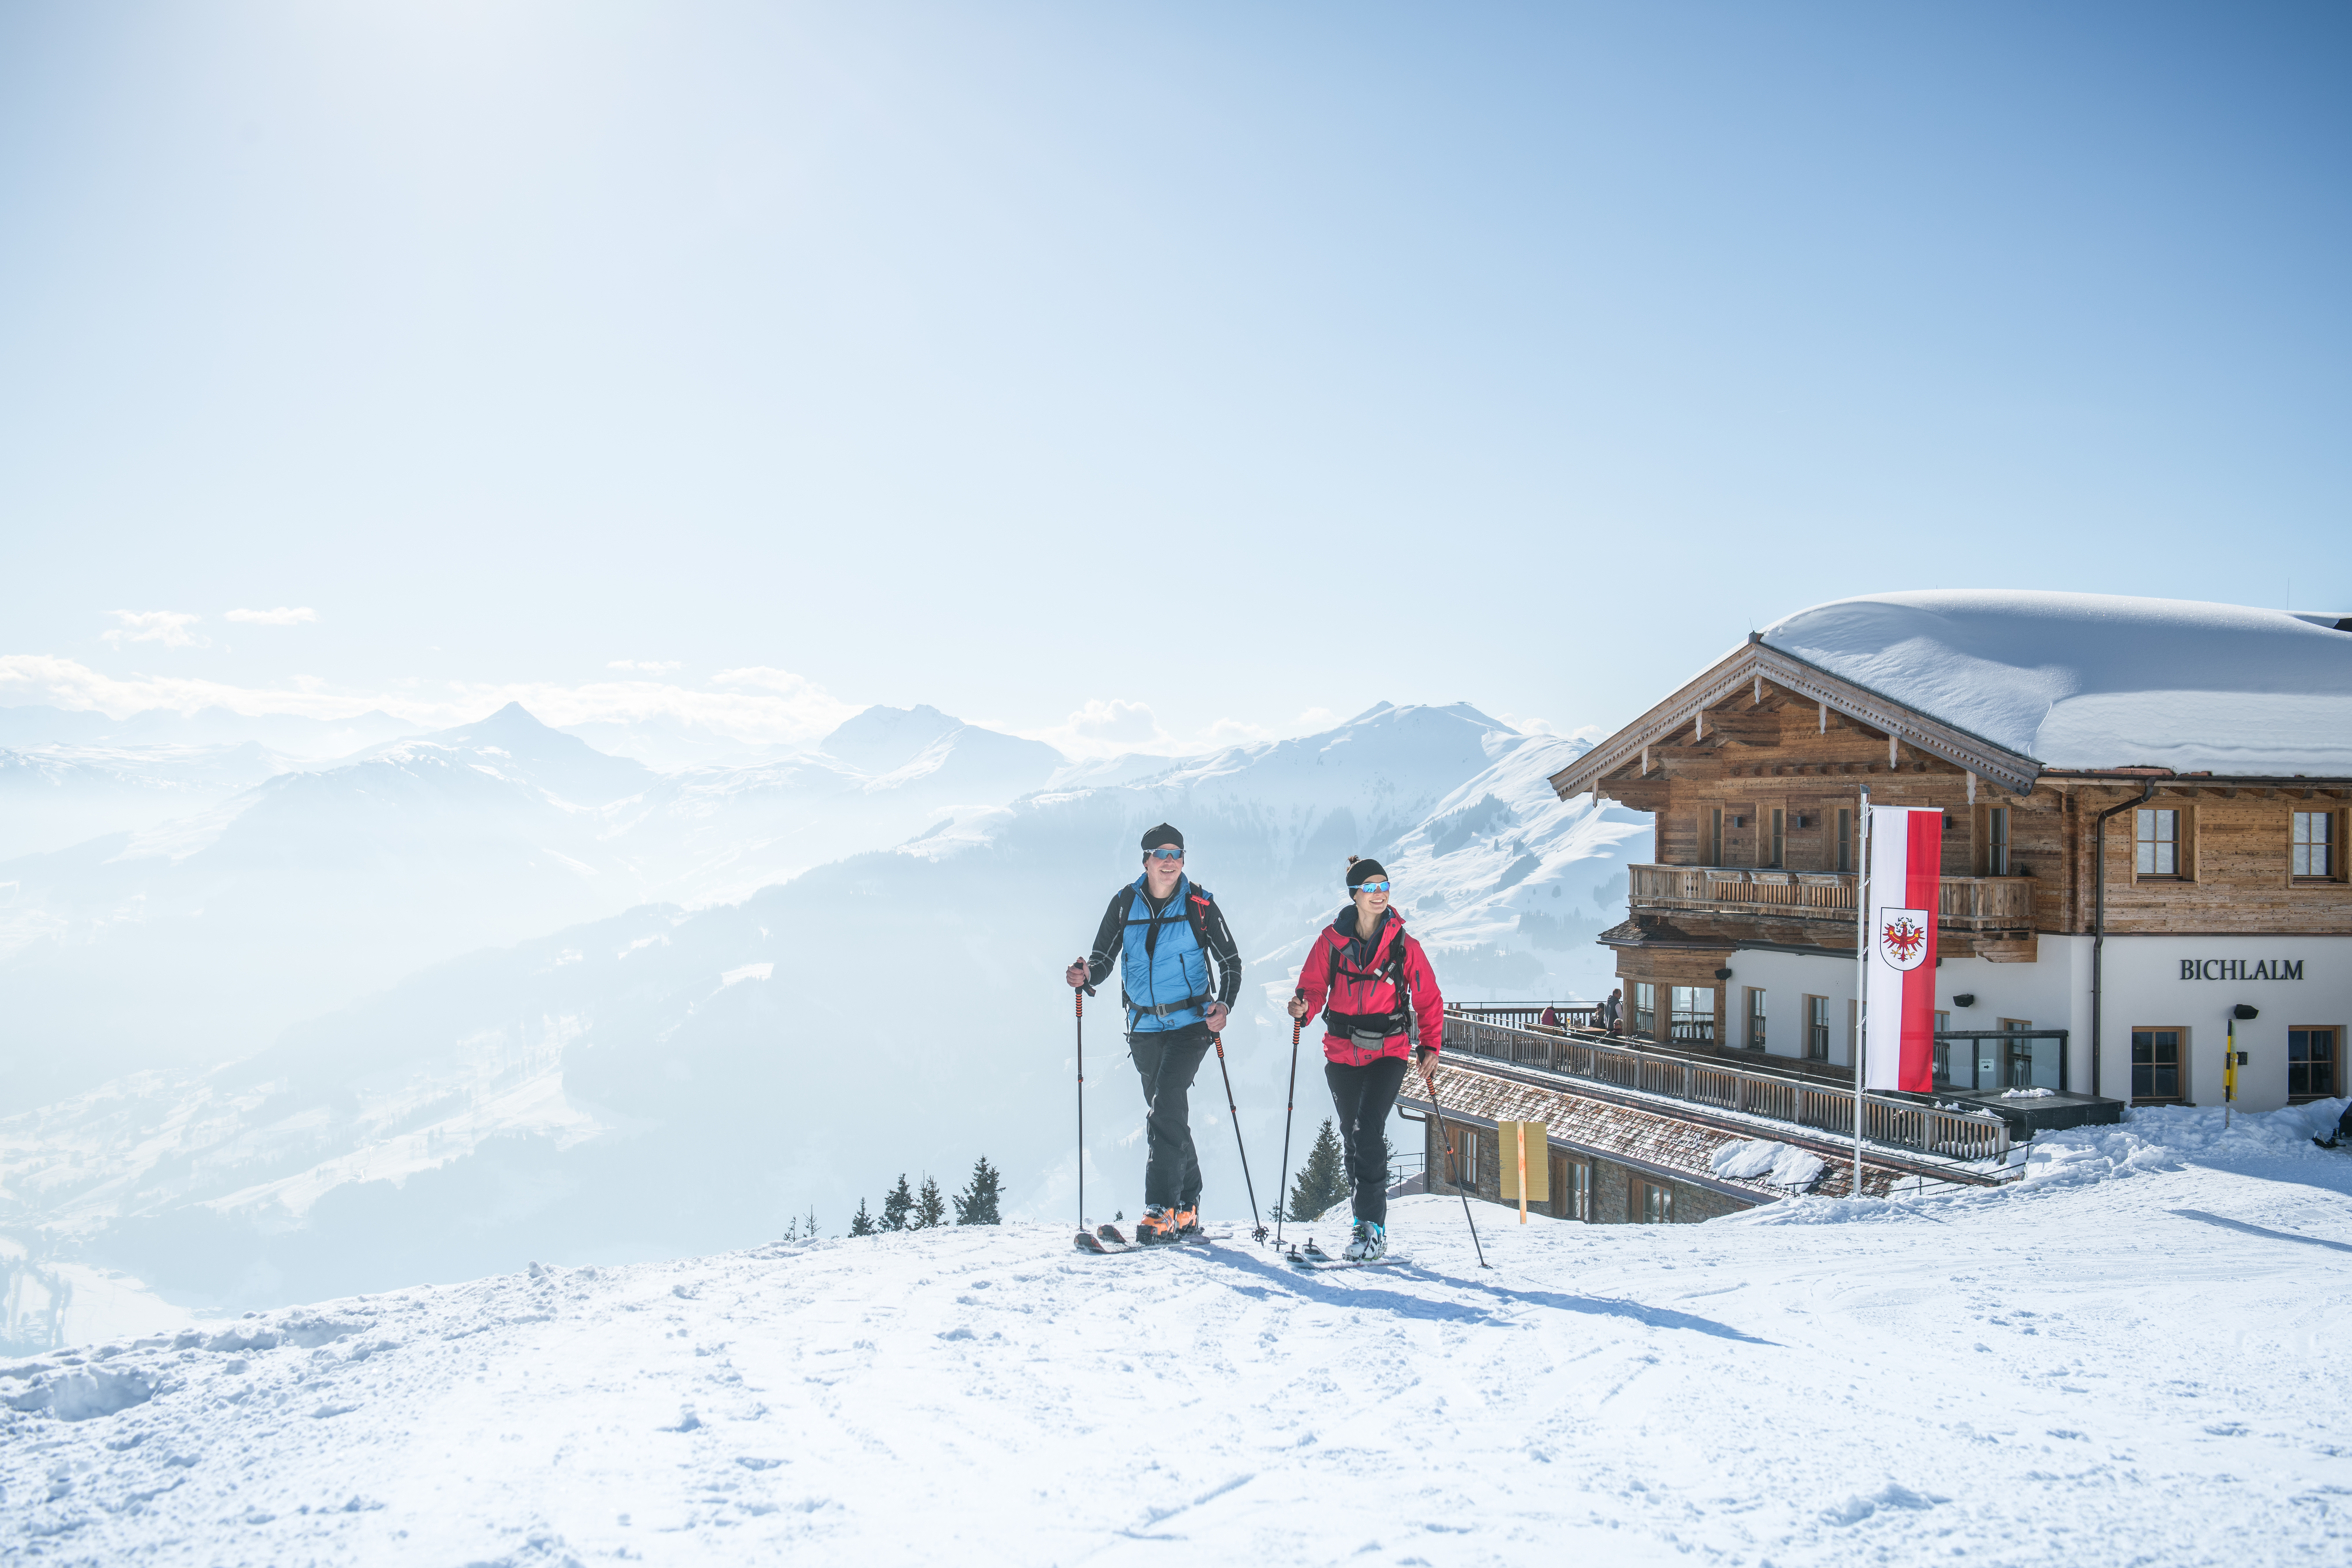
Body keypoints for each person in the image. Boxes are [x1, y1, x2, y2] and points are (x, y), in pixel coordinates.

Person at [1067, 824, 1242, 1243]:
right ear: (1145, 860)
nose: (1169, 861)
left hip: (1191, 1024)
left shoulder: (1200, 904)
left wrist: (1224, 1004)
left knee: (1165, 1105)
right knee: (1168, 1113)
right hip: (1143, 1026)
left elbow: (1231, 961)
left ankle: (1160, 1207)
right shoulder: (1125, 903)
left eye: (1177, 854)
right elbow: (1103, 959)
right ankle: (1188, 1206)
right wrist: (1086, 975)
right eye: (1161, 854)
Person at [1286, 855, 1446, 1261]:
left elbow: (1428, 998)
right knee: (1352, 1137)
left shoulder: (1405, 945)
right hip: (1341, 1054)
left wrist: (1431, 1046)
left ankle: (1373, 1227)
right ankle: (1365, 1222)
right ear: (1355, 894)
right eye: (1371, 887)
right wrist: (1304, 1007)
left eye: (1384, 886)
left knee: (1367, 1129)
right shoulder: (1331, 943)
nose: (1380, 893)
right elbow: (1313, 987)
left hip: (1388, 1052)